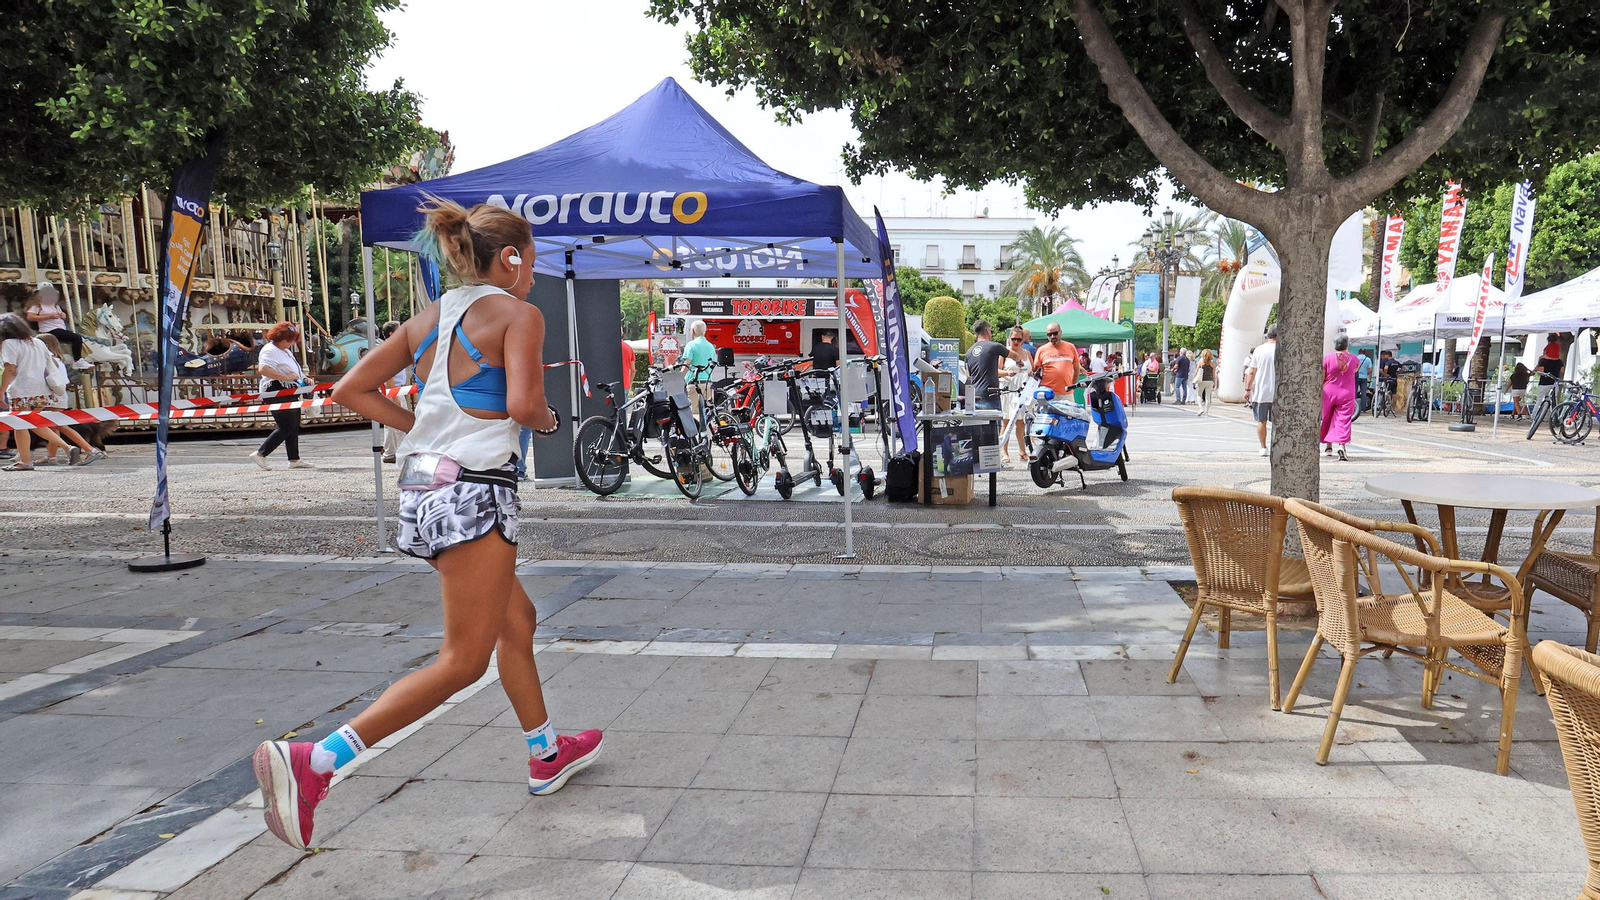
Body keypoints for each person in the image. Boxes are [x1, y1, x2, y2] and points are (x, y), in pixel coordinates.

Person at [256, 198, 598, 853]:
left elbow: (350, 389)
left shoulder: (430, 318)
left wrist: (428, 432)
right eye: (532, 265)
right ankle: (316, 762)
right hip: (475, 494)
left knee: (515, 622)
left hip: (426, 490)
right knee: (463, 661)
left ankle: (545, 751)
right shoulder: (520, 315)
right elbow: (526, 406)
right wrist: (551, 422)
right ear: (512, 259)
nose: (534, 278)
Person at [0, 314, 77, 471]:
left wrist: (1, 391)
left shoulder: (9, 344)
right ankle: (68, 447)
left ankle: (26, 461)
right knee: (34, 423)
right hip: (41, 390)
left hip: (21, 389)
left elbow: (10, 369)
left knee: (20, 426)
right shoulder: (37, 342)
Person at [249, 321, 314, 470]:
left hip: (290, 389)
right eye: (289, 340)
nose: (291, 343)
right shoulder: (270, 350)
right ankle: (261, 453)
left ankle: (294, 459)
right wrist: (285, 377)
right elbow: (263, 368)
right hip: (277, 389)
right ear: (280, 337)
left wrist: (304, 378)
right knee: (287, 426)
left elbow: (293, 370)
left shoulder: (285, 351)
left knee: (294, 425)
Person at [36, 334, 103, 466]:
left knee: (59, 425)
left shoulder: (49, 360)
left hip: (54, 394)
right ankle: (52, 455)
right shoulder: (58, 360)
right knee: (54, 425)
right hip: (58, 393)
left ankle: (90, 449)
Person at [24, 283, 92, 369]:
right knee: (76, 338)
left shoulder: (54, 305)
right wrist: (49, 316)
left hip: (59, 328)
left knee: (75, 337)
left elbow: (59, 315)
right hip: (50, 330)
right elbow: (30, 317)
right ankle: (77, 360)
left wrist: (63, 315)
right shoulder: (37, 305)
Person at [1321, 335, 1358, 460]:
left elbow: (1323, 376)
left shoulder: (1327, 358)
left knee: (1327, 418)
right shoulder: (1354, 359)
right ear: (1347, 345)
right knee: (1344, 419)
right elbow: (1355, 370)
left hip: (1329, 392)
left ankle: (1328, 447)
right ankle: (1341, 446)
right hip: (1347, 393)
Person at [999, 326, 1033, 463]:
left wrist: (1031, 373)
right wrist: (1008, 373)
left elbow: (1033, 369)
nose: (1016, 342)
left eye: (1019, 339)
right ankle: (1004, 453)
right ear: (1009, 339)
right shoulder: (1004, 353)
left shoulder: (1026, 353)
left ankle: (1022, 451)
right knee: (1005, 422)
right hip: (1008, 390)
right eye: (1014, 339)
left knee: (1021, 422)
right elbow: (996, 371)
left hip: (1023, 392)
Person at [1244, 324, 1278, 457]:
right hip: (1279, 392)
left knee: (1261, 420)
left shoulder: (1259, 350)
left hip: (1261, 391)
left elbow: (1251, 371)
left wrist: (1247, 389)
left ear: (1268, 335)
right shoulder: (1284, 349)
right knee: (1279, 422)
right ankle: (1277, 445)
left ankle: (1263, 447)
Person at [380, 320, 410, 464]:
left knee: (392, 423)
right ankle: (397, 452)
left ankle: (391, 452)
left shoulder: (391, 347)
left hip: (395, 388)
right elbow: (388, 374)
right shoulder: (390, 349)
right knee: (397, 421)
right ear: (392, 333)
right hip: (394, 389)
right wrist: (393, 394)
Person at [963, 319, 1008, 411]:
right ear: (987, 331)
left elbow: (968, 375)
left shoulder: (969, 352)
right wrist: (1020, 361)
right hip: (990, 396)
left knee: (978, 425)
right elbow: (1013, 355)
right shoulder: (994, 346)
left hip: (974, 397)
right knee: (992, 424)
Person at [1033, 324, 1079, 396]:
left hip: (1067, 394)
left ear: (1060, 332)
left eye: (1055, 333)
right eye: (1049, 334)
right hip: (1048, 393)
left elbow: (1077, 369)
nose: (1052, 337)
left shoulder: (1071, 347)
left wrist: (1071, 386)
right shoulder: (1041, 350)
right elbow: (1035, 371)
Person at [1194, 348, 1215, 416]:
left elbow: (1196, 370)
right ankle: (1206, 412)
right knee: (1207, 397)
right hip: (1210, 381)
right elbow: (1213, 374)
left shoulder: (1201, 361)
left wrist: (1194, 379)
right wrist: (1214, 382)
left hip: (1202, 380)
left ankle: (1200, 408)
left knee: (1199, 394)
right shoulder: (1212, 363)